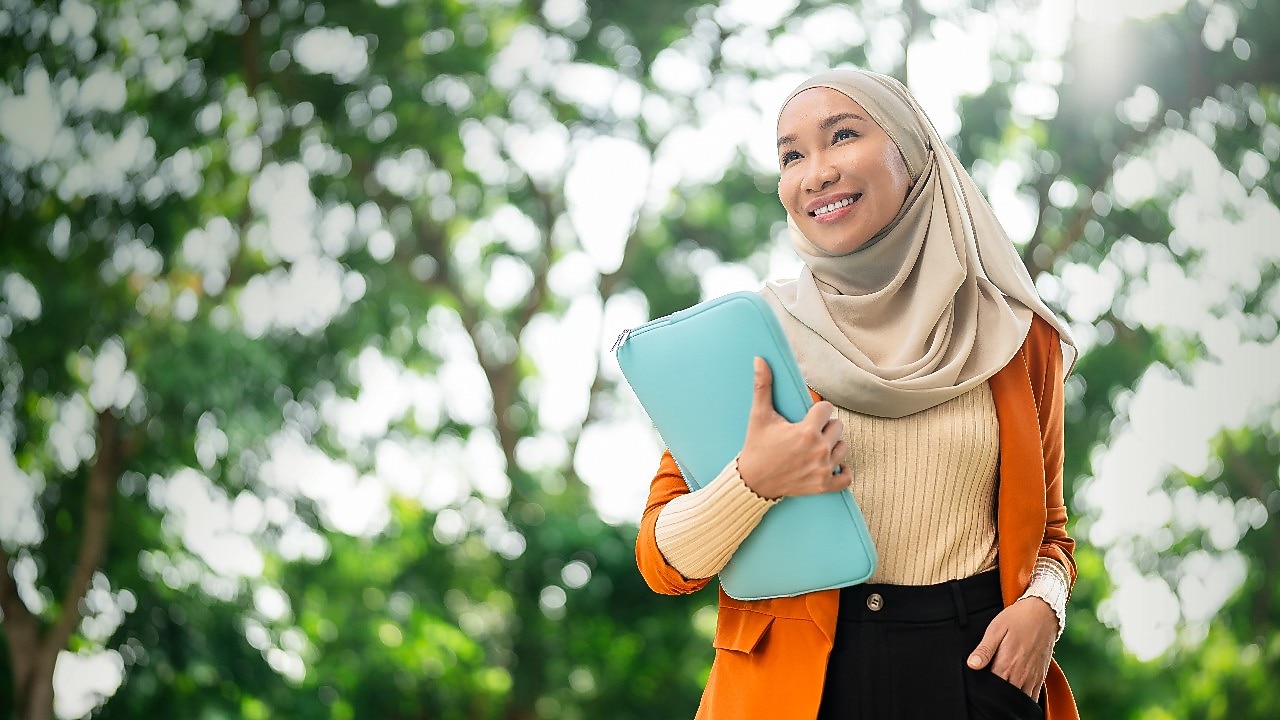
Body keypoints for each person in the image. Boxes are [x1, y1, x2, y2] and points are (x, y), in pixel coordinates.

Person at [634, 68, 1080, 720]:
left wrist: (1046, 606)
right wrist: (752, 481)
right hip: (798, 686)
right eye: (791, 155)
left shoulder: (1016, 336)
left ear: (914, 153)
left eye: (842, 136)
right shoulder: (755, 336)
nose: (814, 172)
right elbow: (662, 562)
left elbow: (1051, 535)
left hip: (976, 672)